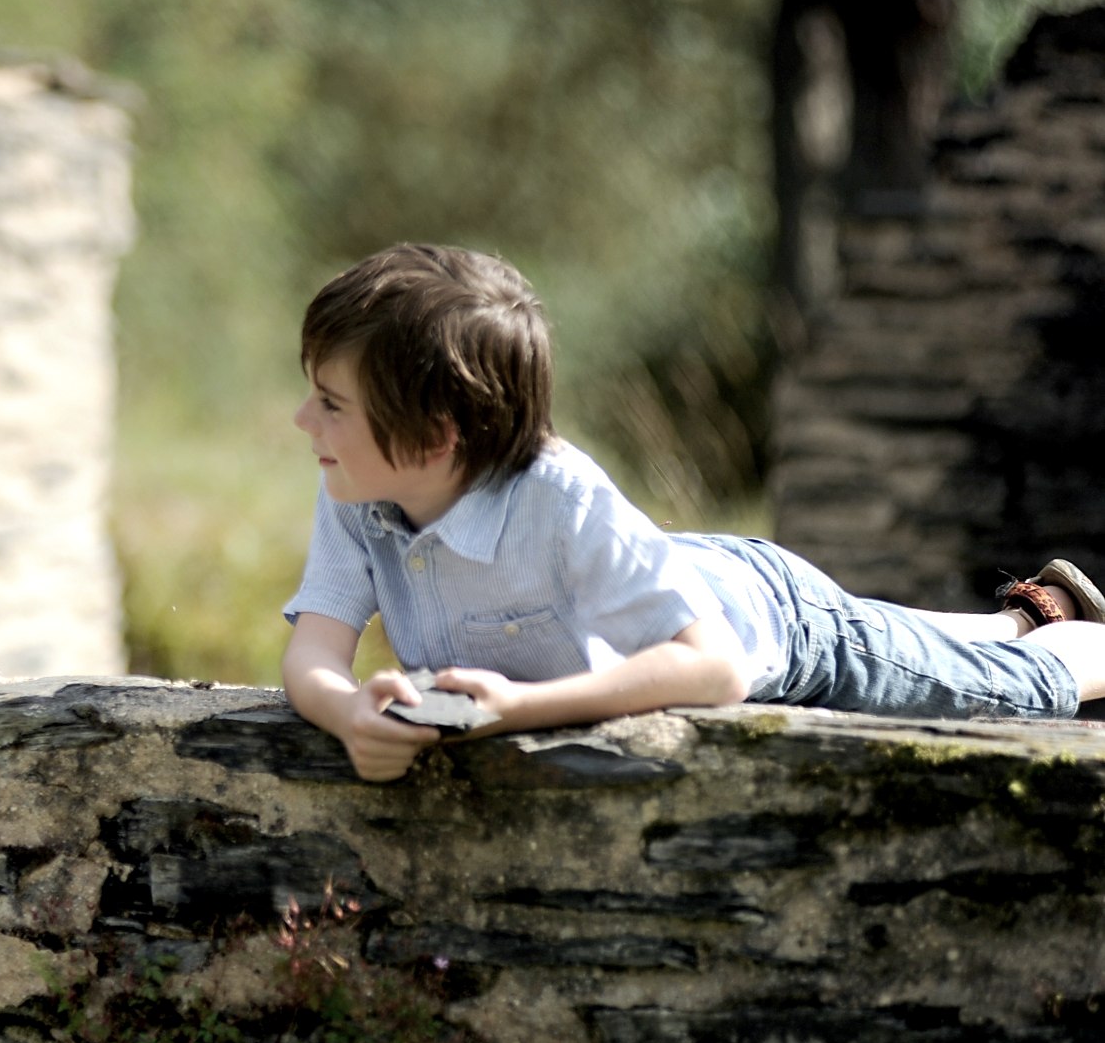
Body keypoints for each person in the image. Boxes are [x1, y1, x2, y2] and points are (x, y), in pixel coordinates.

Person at [280, 243, 1105, 782]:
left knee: (994, 691)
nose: (302, 420)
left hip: (774, 625)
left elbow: (716, 672)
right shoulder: (359, 487)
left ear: (434, 436)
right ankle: (1023, 618)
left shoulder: (561, 500)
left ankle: (1079, 648)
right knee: (909, 635)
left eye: (331, 403)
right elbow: (315, 650)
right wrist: (350, 711)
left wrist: (514, 708)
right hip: (676, 570)